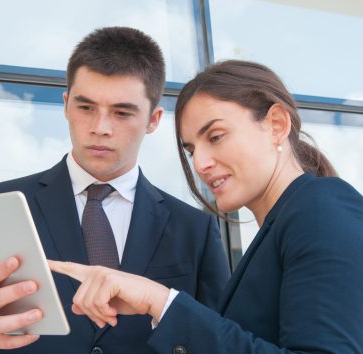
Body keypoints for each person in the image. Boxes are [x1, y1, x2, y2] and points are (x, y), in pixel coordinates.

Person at [0, 27, 231, 354]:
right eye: (86, 108)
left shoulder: (194, 229)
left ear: (153, 120)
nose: (100, 128)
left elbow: (222, 340)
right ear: (66, 105)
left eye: (121, 112)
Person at [50, 60, 363, 353]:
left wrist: (160, 301)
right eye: (191, 150)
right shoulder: (283, 225)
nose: (200, 164)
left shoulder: (321, 208)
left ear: (277, 124)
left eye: (216, 136)